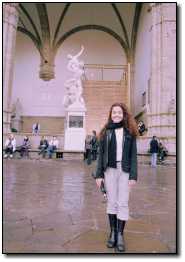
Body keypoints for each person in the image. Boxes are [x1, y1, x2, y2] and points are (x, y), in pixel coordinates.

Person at [94, 102, 138, 252]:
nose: (117, 115)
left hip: (125, 169)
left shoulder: (129, 132)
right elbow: (101, 155)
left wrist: (133, 176)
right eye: (114, 113)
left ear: (124, 114)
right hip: (109, 170)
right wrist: (98, 175)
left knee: (123, 202)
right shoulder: (105, 132)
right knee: (112, 202)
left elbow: (133, 156)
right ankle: (112, 233)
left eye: (119, 112)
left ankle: (120, 235)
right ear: (110, 115)